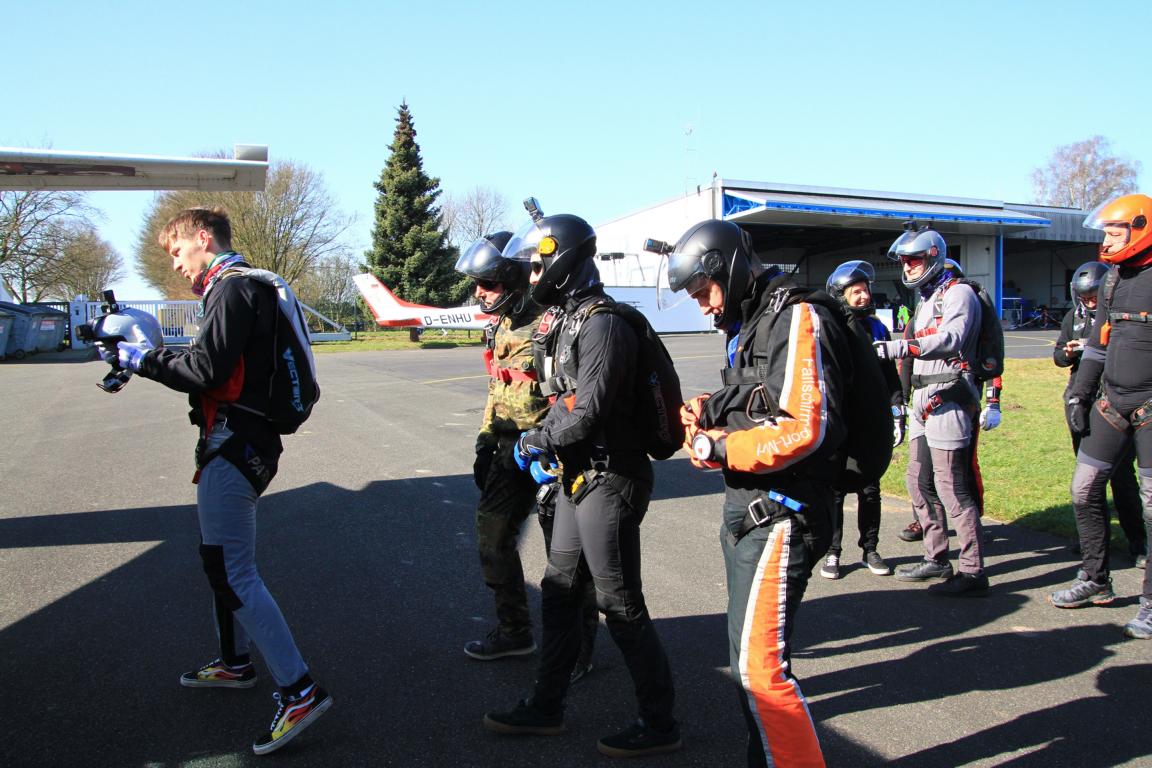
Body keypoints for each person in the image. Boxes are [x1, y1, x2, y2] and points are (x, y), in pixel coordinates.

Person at [94, 207, 331, 755]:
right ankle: (234, 662)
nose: (176, 264)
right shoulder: (243, 287)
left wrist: (140, 358)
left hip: (237, 443)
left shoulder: (232, 288)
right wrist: (151, 357)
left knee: (231, 569)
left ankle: (300, 691)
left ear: (203, 238)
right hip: (240, 439)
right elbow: (217, 364)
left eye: (177, 251)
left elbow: (205, 372)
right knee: (218, 559)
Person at [483, 211, 680, 758]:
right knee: (560, 590)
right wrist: (539, 437)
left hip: (612, 477)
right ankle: (546, 706)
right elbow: (562, 402)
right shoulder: (567, 319)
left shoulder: (603, 324)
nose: (532, 273)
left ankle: (660, 721)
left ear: (563, 260)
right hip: (579, 476)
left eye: (538, 264)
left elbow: (588, 412)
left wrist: (533, 443)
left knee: (619, 601)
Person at [662, 219, 851, 768]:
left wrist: (720, 447)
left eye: (704, 291)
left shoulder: (798, 316)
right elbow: (758, 396)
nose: (702, 305)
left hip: (783, 514)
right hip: (752, 509)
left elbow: (804, 428)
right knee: (746, 657)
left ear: (728, 271)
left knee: (760, 670)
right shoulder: (754, 322)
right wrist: (708, 412)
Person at [454, 233, 598, 677]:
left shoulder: (552, 321)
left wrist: (552, 446)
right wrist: (484, 441)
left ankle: (578, 649)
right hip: (506, 448)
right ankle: (515, 630)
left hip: (549, 453)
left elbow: (576, 396)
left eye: (488, 283)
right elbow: (498, 386)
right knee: (492, 540)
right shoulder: (500, 322)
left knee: (567, 561)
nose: (479, 292)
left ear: (513, 277)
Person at [875, 224, 993, 596]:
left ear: (932, 258)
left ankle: (973, 572)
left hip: (950, 396)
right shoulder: (927, 299)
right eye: (904, 261)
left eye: (913, 260)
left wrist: (899, 348)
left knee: (952, 488)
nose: (907, 266)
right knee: (918, 481)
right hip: (923, 399)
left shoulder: (959, 294)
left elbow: (953, 339)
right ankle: (936, 557)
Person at [1056, 194, 1152, 640]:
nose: (1107, 241)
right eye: (1106, 233)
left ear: (1141, 228)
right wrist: (1079, 395)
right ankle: (1096, 579)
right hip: (1112, 404)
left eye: (1115, 233)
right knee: (1083, 490)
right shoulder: (1113, 279)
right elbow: (1097, 345)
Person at [1054, 261, 1146, 568]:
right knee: (1087, 480)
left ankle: (1137, 541)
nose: (1090, 301)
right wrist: (1068, 352)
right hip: (1082, 398)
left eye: (1094, 295)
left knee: (1122, 477)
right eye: (1084, 296)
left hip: (1114, 401)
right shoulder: (1074, 317)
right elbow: (1058, 355)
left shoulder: (1121, 314)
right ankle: (1092, 542)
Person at [820, 260, 902, 579]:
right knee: (835, 489)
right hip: (839, 424)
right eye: (856, 291)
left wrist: (897, 409)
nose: (865, 296)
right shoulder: (830, 327)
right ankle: (832, 552)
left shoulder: (878, 328)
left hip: (870, 424)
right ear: (840, 295)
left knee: (870, 488)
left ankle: (870, 549)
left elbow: (889, 374)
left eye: (866, 289)